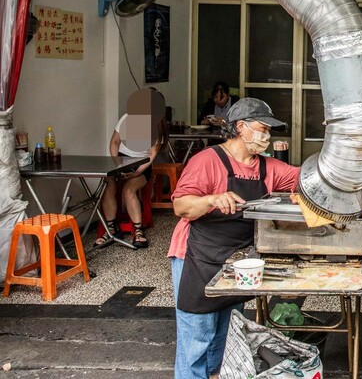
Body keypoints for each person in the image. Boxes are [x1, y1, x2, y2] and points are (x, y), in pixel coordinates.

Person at [168, 97, 299, 379]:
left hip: (236, 262)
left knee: (226, 336)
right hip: (196, 258)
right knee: (197, 339)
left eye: (269, 131)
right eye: (263, 128)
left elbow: (304, 179)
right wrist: (213, 199)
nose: (267, 136)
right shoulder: (207, 161)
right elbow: (181, 206)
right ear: (241, 127)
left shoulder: (267, 167)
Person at [95, 88, 168, 249]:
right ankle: (111, 228)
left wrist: (137, 172)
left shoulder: (158, 127)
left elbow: (151, 155)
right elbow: (114, 143)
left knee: (129, 190)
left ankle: (138, 230)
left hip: (142, 164)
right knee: (109, 184)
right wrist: (116, 164)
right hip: (120, 161)